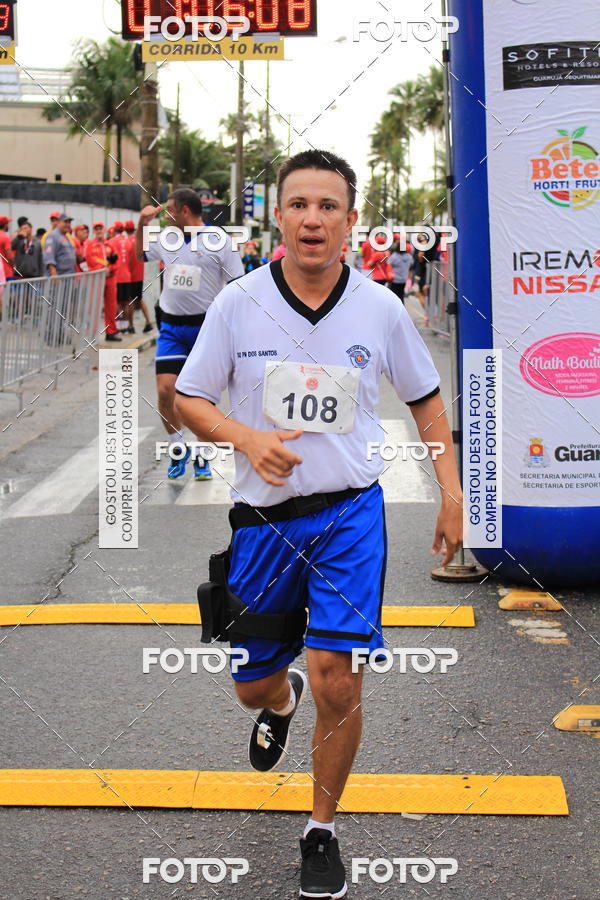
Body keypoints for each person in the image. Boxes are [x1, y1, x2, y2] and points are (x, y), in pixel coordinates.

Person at [174, 149, 463, 899]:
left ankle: (321, 830)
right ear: (279, 214)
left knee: (341, 679)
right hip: (264, 525)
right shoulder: (239, 302)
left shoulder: (380, 307)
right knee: (254, 685)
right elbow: (191, 401)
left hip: (349, 517)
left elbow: (426, 401)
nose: (312, 218)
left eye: (328, 206)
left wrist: (451, 491)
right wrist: (248, 439)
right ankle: (279, 698)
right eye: (299, 203)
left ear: (350, 220)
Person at [135, 187, 244, 480]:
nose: (166, 216)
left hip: (206, 327)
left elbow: (238, 285)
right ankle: (177, 447)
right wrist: (141, 224)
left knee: (201, 397)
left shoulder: (220, 241)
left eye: (169, 210)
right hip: (171, 326)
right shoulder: (166, 238)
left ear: (184, 210)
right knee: (165, 390)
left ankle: (203, 457)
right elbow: (139, 254)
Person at [85, 221, 120, 342]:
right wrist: (101, 270)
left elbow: (117, 261)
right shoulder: (90, 245)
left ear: (104, 230)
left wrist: (110, 269)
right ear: (94, 231)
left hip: (110, 279)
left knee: (111, 306)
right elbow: (89, 262)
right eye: (96, 229)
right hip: (97, 280)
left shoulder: (110, 245)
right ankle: (92, 334)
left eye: (101, 228)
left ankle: (111, 332)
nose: (99, 231)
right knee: (94, 307)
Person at [125, 220, 153, 333]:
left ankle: (130, 326)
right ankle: (148, 322)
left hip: (130, 276)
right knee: (139, 300)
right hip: (139, 275)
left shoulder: (126, 242)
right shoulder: (139, 241)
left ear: (125, 230)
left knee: (130, 301)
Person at [108, 221, 133, 333]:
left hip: (116, 276)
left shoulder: (111, 242)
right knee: (127, 302)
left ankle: (118, 326)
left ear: (114, 230)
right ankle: (126, 327)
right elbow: (131, 259)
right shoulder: (128, 242)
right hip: (127, 275)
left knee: (117, 303)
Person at [387, 238, 412, 303]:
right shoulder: (409, 257)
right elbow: (410, 267)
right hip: (403, 279)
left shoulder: (394, 256)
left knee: (394, 296)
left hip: (394, 279)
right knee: (401, 295)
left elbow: (388, 264)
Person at [0, 216, 15, 281]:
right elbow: (9, 256)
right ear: (5, 225)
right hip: (6, 272)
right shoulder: (5, 237)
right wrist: (14, 265)